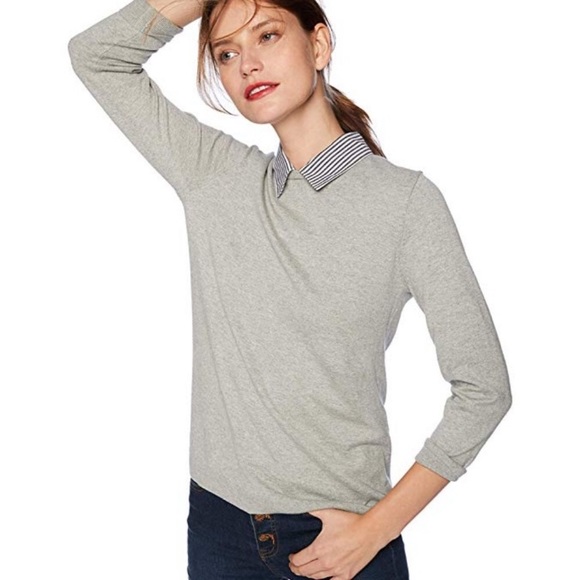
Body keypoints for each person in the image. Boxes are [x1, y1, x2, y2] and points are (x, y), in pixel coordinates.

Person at [67, 0, 513, 578]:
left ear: (319, 45)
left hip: (345, 539)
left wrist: (376, 531)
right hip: (220, 530)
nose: (247, 64)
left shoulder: (405, 204)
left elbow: (484, 389)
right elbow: (97, 56)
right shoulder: (215, 177)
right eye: (226, 53)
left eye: (268, 36)